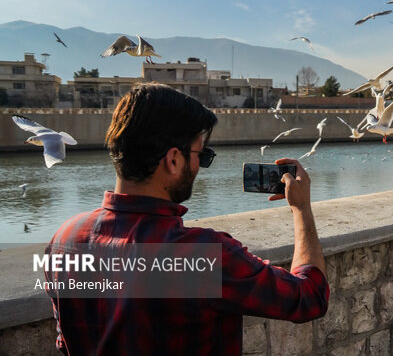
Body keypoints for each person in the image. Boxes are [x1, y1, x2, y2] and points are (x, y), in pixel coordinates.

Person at [44, 83, 329, 355]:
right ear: (174, 159)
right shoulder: (204, 255)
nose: (200, 166)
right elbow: (308, 297)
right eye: (201, 155)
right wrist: (301, 208)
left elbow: (65, 342)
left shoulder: (65, 240)